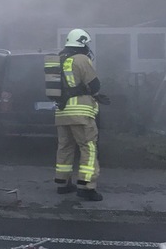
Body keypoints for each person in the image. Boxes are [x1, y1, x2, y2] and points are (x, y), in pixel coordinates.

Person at [54, 28, 108, 202]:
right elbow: (95, 85)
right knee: (88, 148)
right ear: (83, 42)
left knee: (65, 147)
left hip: (62, 112)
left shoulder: (59, 59)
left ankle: (62, 183)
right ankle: (86, 187)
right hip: (81, 113)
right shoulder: (81, 59)